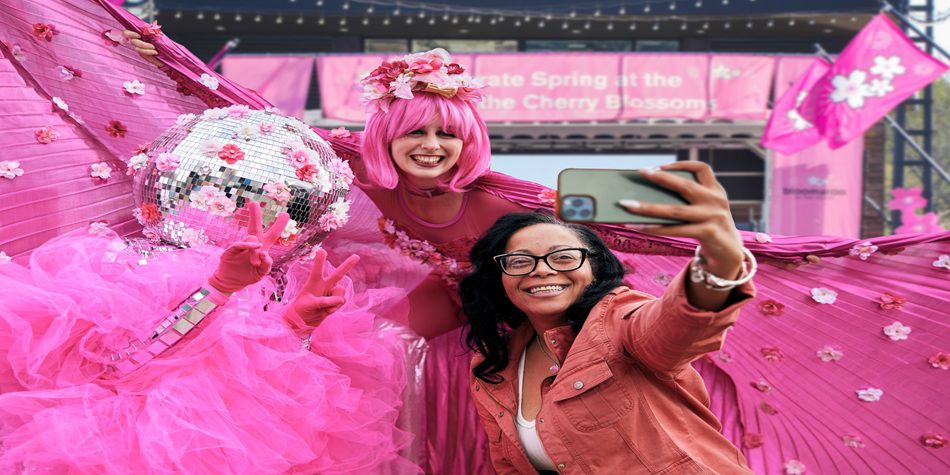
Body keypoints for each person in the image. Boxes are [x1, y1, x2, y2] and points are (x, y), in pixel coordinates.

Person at [8, 4, 947, 471]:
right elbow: (242, 148)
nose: (429, 148)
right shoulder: (331, 168)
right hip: (333, 348)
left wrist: (725, 239)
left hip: (463, 354)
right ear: (383, 135)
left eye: (447, 136)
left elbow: (620, 221)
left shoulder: (514, 204)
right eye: (414, 132)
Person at [0, 201, 420, 473]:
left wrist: (296, 329)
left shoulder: (276, 288)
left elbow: (271, 391)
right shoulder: (142, 274)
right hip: (119, 448)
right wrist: (217, 288)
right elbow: (124, 367)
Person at [460, 163, 756, 473]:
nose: (542, 270)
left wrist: (720, 259)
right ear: (500, 278)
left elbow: (677, 327)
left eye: (563, 257)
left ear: (595, 270)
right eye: (519, 261)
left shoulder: (621, 318)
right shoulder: (491, 364)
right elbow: (510, 466)